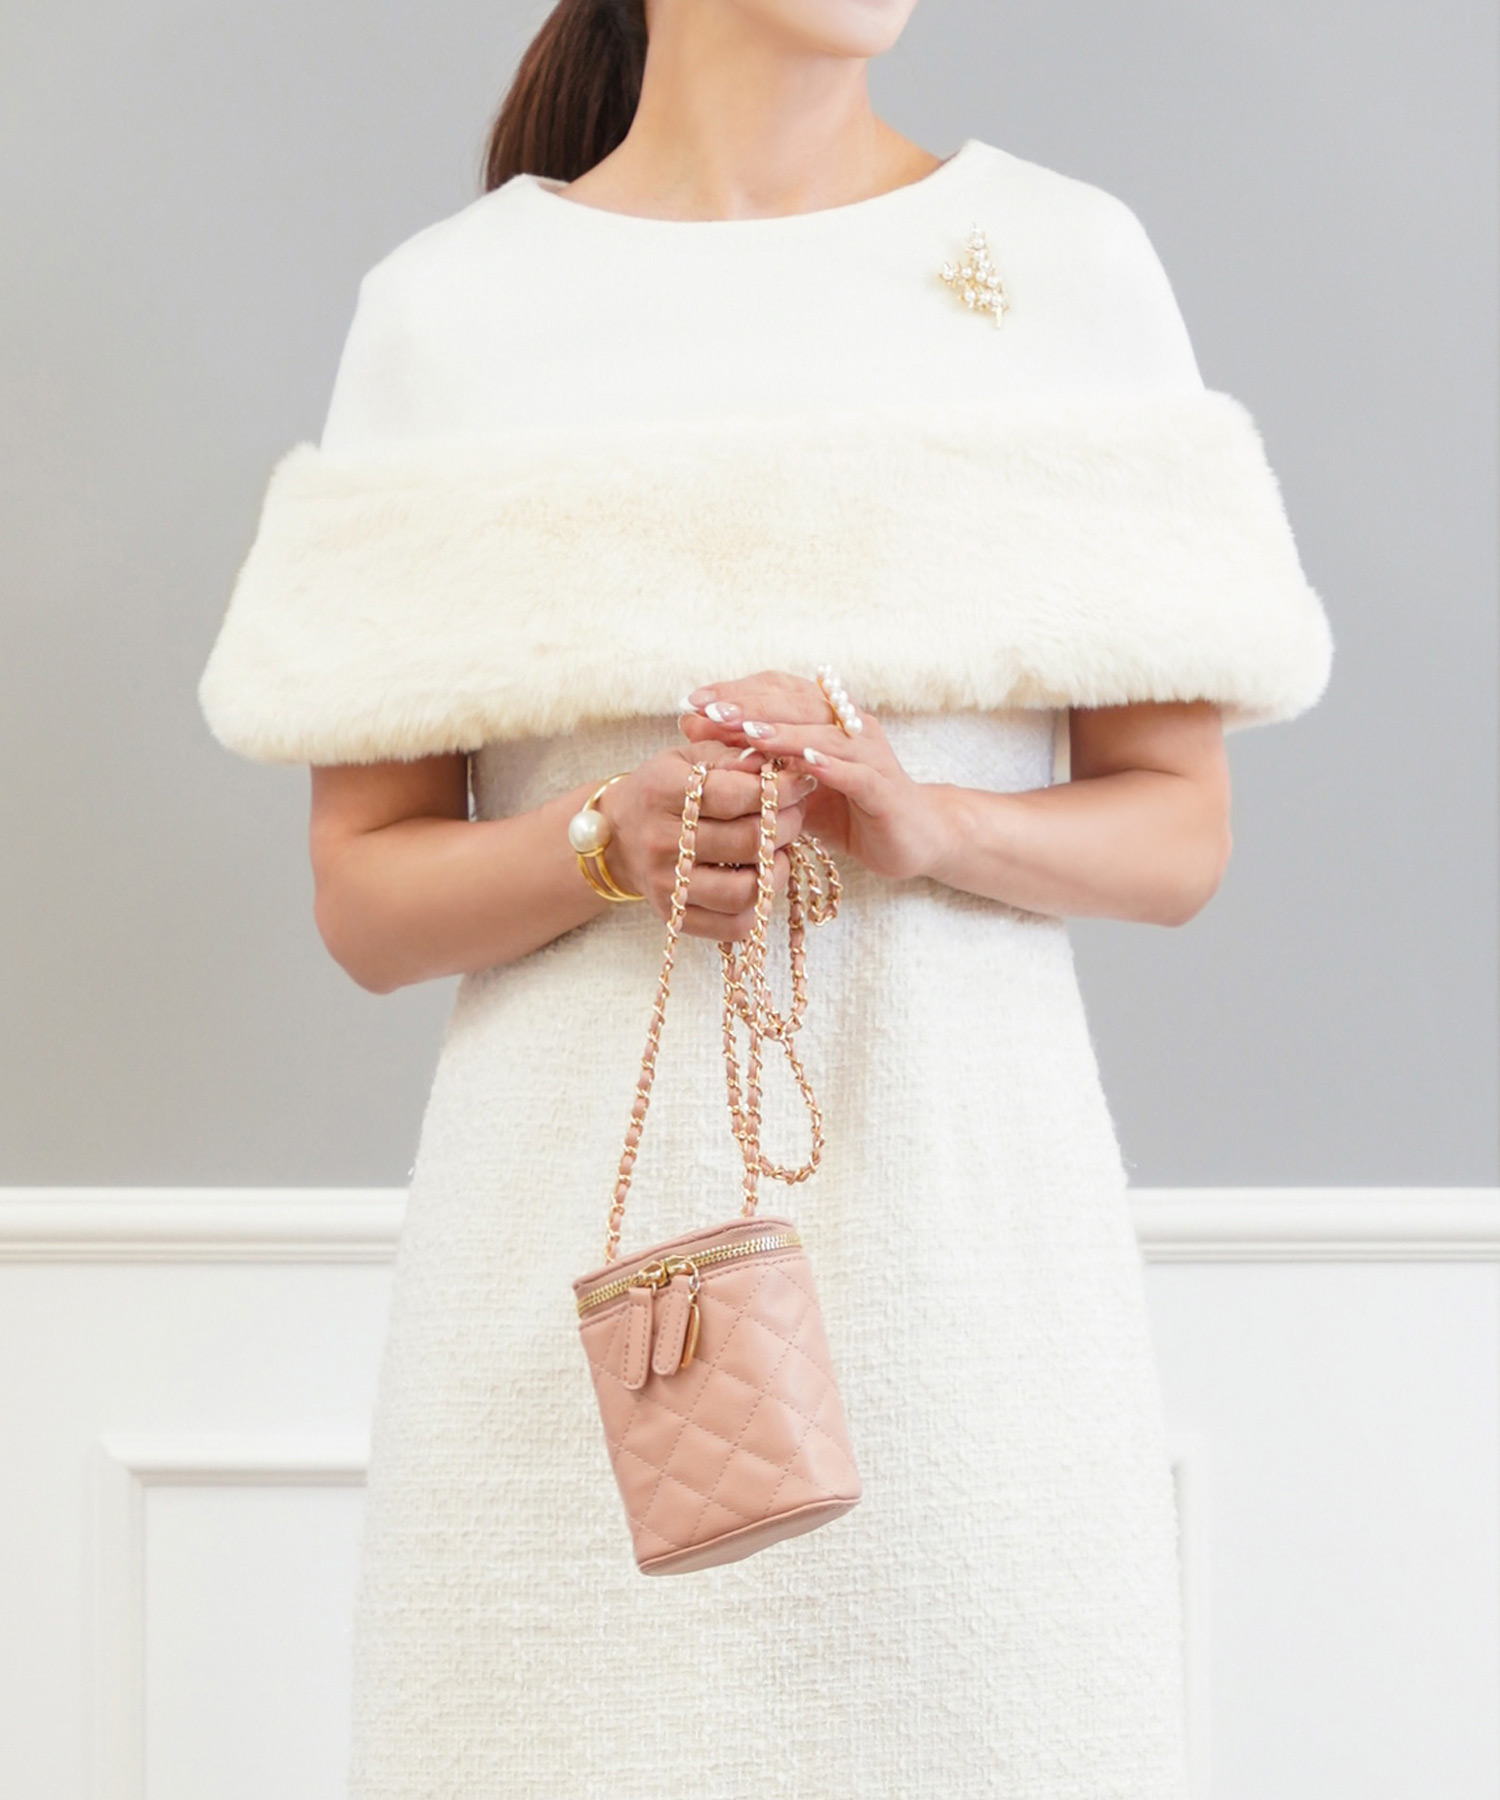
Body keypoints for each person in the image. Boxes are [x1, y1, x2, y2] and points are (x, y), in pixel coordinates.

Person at [198, 0, 1333, 1792]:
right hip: (582, 1311)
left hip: (976, 1301)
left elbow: (1177, 836)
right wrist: (607, 842)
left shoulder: (1066, 266)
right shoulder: (452, 312)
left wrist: (931, 825)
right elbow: (366, 900)